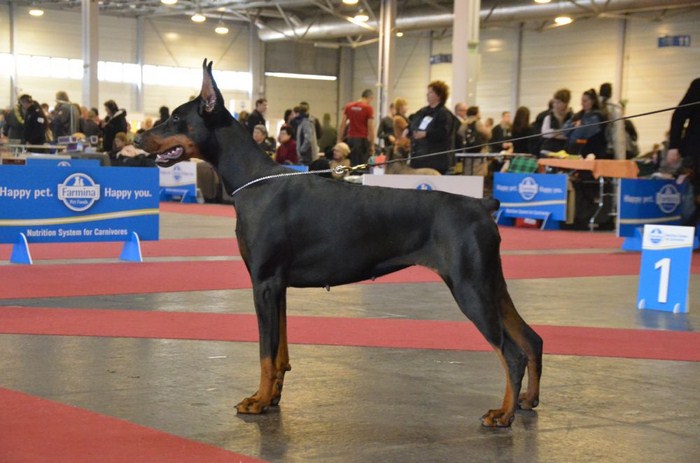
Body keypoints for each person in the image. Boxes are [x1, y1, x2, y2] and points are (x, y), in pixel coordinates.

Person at [667, 78, 700, 225]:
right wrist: (674, 146)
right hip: (696, 153)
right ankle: (686, 232)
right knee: (692, 202)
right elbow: (679, 115)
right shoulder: (698, 86)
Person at [407, 80, 455, 174]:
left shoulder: (444, 114)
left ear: (439, 95)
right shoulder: (422, 111)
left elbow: (443, 133)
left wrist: (426, 134)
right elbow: (413, 123)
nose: (427, 94)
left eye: (431, 92)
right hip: (418, 159)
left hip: (435, 162)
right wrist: (407, 129)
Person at [564, 89, 607, 157]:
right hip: (576, 151)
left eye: (585, 101)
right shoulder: (578, 115)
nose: (582, 103)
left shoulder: (597, 117)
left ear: (593, 101)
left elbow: (579, 133)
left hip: (593, 153)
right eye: (582, 101)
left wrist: (572, 132)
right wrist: (574, 125)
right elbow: (564, 129)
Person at [338, 89, 375, 166]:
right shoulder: (368, 108)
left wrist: (339, 139)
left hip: (351, 139)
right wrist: (372, 145)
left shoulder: (349, 106)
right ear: (370, 98)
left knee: (352, 164)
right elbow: (370, 128)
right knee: (362, 165)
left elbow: (342, 124)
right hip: (362, 140)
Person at [540, 88, 573, 155]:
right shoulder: (548, 117)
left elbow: (571, 135)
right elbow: (545, 133)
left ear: (566, 103)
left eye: (559, 102)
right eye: (554, 102)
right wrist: (560, 133)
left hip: (565, 152)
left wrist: (554, 133)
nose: (555, 105)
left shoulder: (572, 117)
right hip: (548, 151)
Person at [599, 82, 626, 159]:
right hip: (609, 148)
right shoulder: (616, 108)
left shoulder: (594, 105)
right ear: (611, 93)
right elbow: (618, 133)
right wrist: (620, 157)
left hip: (597, 148)